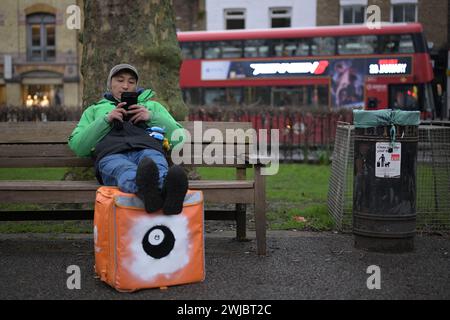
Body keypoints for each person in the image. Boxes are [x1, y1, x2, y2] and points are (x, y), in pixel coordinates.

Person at [68, 64, 188, 215]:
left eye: (131, 82)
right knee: (125, 170)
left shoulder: (152, 106)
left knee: (154, 165)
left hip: (148, 148)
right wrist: (106, 120)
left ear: (136, 86)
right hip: (111, 153)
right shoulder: (94, 110)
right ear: (109, 84)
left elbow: (180, 138)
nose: (125, 86)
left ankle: (154, 195)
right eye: (120, 80)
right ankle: (163, 196)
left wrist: (151, 117)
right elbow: (79, 147)